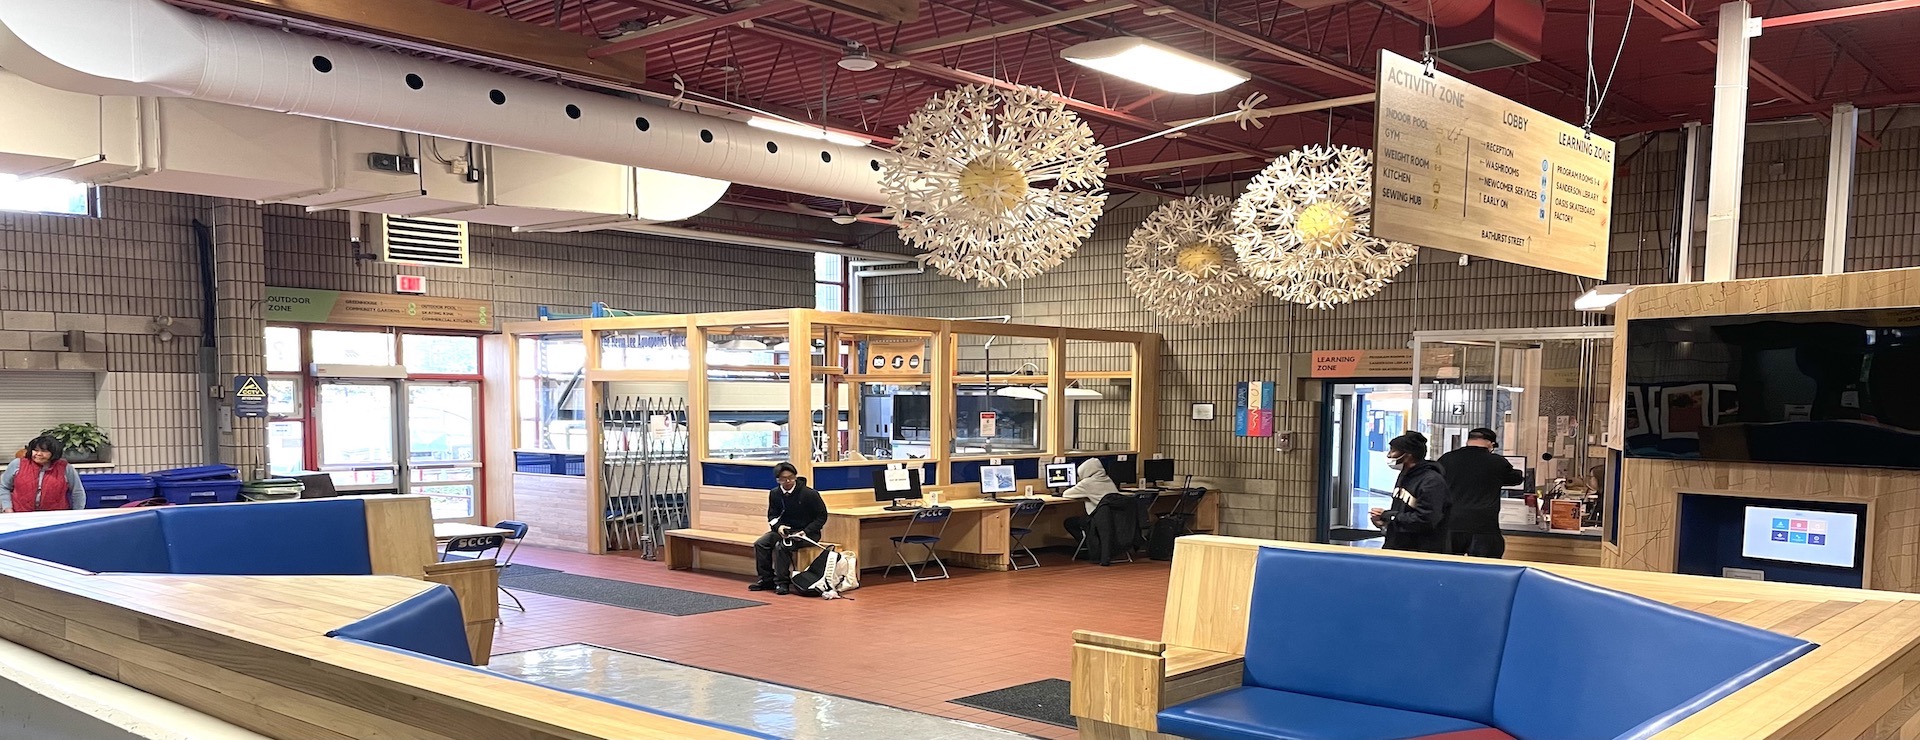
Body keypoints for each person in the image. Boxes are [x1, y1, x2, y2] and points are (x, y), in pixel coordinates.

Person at [1437, 428, 1524, 558]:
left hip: (1451, 523)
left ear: (1468, 440)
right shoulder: (1496, 462)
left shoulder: (1447, 459)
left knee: (1448, 566)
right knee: (1486, 568)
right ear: (1491, 444)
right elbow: (1515, 479)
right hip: (1483, 526)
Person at [751, 462, 828, 596]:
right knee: (761, 543)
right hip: (785, 531)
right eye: (783, 479)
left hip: (807, 533)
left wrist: (807, 530)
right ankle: (766, 579)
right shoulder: (775, 493)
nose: (788, 481)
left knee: (781, 547)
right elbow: (772, 516)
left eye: (791, 478)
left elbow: (821, 517)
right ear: (778, 480)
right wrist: (778, 526)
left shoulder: (809, 494)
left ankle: (782, 582)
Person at [1369, 431, 1450, 553]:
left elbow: (1427, 519)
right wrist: (1384, 523)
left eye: (1393, 451)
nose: (1389, 455)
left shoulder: (1432, 482)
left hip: (1421, 551)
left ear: (1408, 455)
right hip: (1397, 545)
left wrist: (1390, 516)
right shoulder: (1405, 475)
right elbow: (1402, 511)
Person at [1061, 459, 1130, 565]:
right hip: (1115, 519)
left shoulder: (1087, 483)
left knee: (1069, 522)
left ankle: (1087, 545)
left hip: (1098, 520)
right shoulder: (1108, 480)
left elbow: (1066, 494)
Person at [1, 436, 87, 513]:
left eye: (44, 451)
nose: (38, 454)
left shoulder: (66, 468)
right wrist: (8, 508)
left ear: (54, 452)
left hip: (56, 517)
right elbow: (4, 487)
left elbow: (77, 492)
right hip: (21, 515)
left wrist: (77, 513)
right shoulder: (17, 464)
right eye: (35, 450)